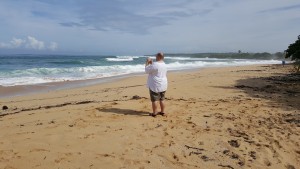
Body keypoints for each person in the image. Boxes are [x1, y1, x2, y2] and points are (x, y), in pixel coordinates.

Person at [145, 52, 168, 117]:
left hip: (155, 84)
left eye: (156, 56)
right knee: (162, 99)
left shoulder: (155, 64)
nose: (155, 57)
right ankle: (163, 112)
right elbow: (156, 70)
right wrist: (151, 63)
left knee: (154, 99)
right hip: (163, 84)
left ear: (159, 57)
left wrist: (147, 62)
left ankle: (154, 113)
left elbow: (147, 70)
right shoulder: (164, 64)